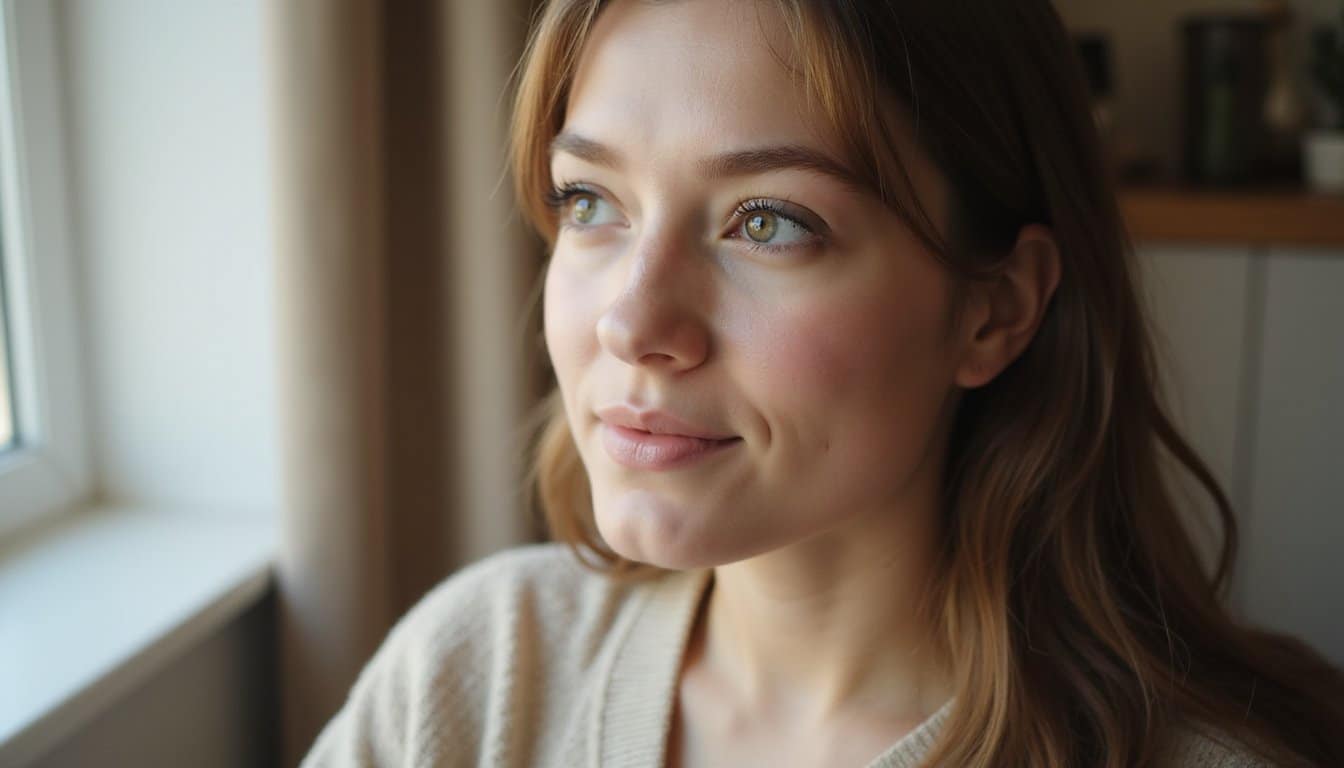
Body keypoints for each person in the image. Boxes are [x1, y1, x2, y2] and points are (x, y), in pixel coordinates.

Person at [301, 1, 1344, 766]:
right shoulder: (480, 678)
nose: (631, 320)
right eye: (589, 201)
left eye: (768, 222)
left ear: (996, 310)